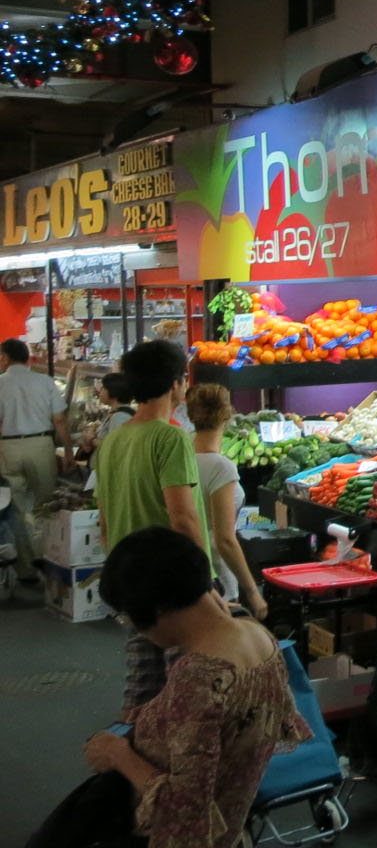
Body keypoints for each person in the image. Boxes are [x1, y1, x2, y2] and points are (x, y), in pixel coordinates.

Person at [30, 527, 308, 848]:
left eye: (128, 617)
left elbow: (186, 811)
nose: (133, 627)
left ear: (159, 608)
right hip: (232, 823)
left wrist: (119, 755)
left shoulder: (199, 676)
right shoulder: (257, 635)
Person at [94, 339, 210, 717]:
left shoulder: (113, 440)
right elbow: (183, 517)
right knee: (185, 689)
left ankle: (130, 758)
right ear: (178, 383)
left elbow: (104, 520)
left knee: (142, 689)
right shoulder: (171, 437)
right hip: (173, 583)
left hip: (132, 580)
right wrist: (205, 579)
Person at [185, 384, 268, 620]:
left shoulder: (181, 454)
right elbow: (224, 540)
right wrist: (252, 591)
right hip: (216, 575)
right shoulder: (220, 467)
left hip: (188, 566)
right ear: (227, 414)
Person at [0, 336, 75, 582]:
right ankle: (49, 560)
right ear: (28, 358)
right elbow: (60, 420)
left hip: (8, 447)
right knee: (46, 506)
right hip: (41, 444)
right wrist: (68, 452)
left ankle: (26, 567)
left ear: (5, 358)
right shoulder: (45, 382)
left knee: (18, 510)